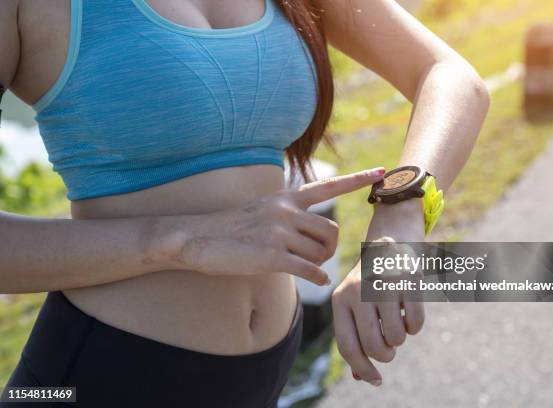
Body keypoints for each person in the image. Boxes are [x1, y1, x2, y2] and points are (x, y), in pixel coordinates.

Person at [0, 0, 489, 406]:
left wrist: (399, 213)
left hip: (267, 369)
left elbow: (449, 76)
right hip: (104, 375)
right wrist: (181, 240)